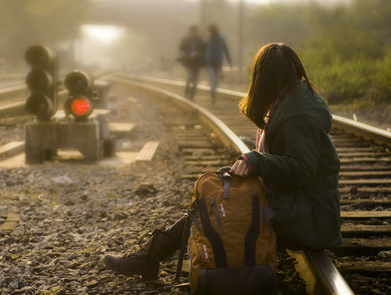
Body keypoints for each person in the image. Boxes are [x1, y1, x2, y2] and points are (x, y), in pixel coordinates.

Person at [103, 42, 341, 281]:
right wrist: (252, 164)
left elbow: (303, 169)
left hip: (308, 215)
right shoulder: (290, 100)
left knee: (214, 204)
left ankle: (150, 256)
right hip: (299, 203)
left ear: (264, 78)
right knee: (218, 191)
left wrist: (257, 161)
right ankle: (151, 255)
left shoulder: (297, 114)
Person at [205, 24, 232, 104]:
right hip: (211, 62)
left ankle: (213, 93)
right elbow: (204, 50)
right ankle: (213, 94)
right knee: (213, 78)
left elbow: (225, 50)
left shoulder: (220, 39)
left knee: (214, 79)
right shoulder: (209, 39)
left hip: (216, 62)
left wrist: (230, 62)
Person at [178, 25, 206, 101]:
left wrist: (198, 53)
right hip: (188, 62)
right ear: (189, 31)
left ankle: (192, 96)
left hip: (197, 63)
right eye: (192, 32)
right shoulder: (185, 40)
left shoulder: (201, 41)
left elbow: (204, 50)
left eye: (194, 32)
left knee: (195, 80)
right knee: (190, 77)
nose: (193, 33)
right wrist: (185, 54)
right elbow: (181, 50)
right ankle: (186, 93)